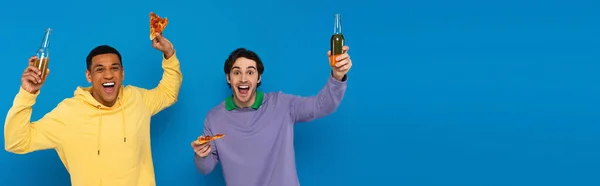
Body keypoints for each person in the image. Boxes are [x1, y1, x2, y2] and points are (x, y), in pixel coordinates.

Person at [4, 33, 182, 186]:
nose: (108, 74)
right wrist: (28, 93)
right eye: (99, 69)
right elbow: (16, 142)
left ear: (122, 74)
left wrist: (169, 54)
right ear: (88, 76)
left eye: (114, 68)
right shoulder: (69, 113)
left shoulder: (137, 99)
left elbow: (168, 93)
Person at [191, 46, 352, 186]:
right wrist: (201, 156)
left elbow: (321, 106)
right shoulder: (214, 118)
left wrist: (337, 77)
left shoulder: (282, 105)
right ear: (228, 78)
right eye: (236, 72)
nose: (243, 78)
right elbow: (205, 168)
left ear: (258, 77)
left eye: (250, 72)